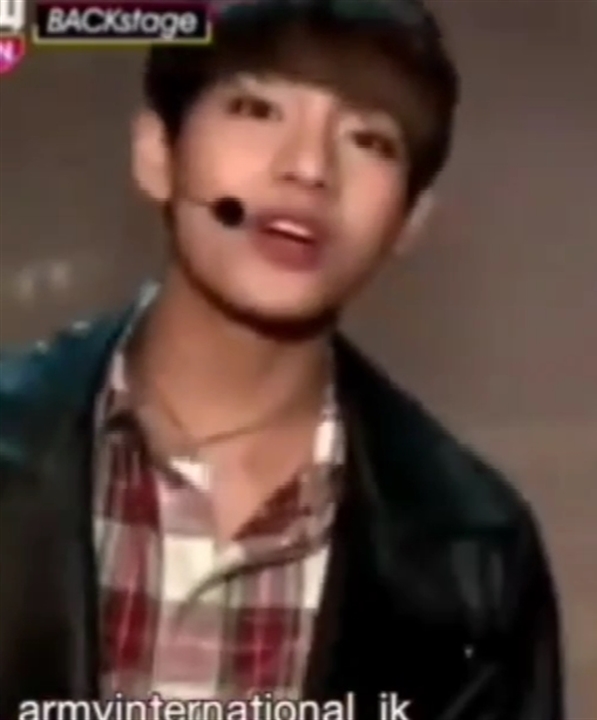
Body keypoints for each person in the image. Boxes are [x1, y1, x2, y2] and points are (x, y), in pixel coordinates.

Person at [0, 1, 564, 718]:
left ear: (410, 220)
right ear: (157, 153)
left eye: (368, 139)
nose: (308, 168)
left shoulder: (473, 555)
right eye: (257, 109)